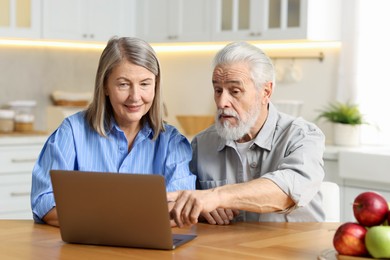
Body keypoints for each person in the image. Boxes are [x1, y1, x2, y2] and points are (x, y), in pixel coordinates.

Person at [31, 37, 196, 226]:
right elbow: (44, 202)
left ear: (156, 86)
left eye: (144, 84)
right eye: (123, 84)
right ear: (105, 86)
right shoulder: (72, 132)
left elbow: (181, 208)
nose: (135, 97)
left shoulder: (173, 142)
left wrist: (97, 214)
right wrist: (123, 218)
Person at [168, 41, 326, 228]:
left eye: (235, 91)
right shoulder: (202, 143)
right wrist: (199, 209)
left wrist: (216, 196)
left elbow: (287, 191)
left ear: (266, 92)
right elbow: (179, 203)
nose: (221, 102)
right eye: (217, 90)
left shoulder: (303, 136)